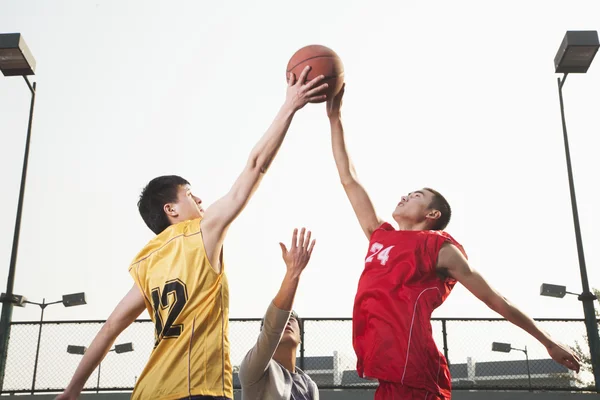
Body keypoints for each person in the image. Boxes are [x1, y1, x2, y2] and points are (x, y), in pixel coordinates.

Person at [56, 66, 328, 400]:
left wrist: (72, 389)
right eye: (190, 194)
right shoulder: (202, 231)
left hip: (148, 392)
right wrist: (290, 105)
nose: (200, 199)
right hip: (196, 389)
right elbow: (255, 166)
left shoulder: (147, 262)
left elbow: (111, 328)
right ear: (171, 210)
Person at [326, 85, 580, 400]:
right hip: (388, 374)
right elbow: (349, 178)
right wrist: (335, 118)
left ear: (432, 213)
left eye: (416, 195)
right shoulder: (381, 236)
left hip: (417, 373)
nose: (405, 195)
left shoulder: (440, 248)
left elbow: (495, 299)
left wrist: (548, 341)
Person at [239, 228, 319, 400]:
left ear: (301, 337)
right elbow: (273, 327)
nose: (288, 320)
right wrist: (293, 272)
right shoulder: (254, 371)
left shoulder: (309, 385)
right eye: (285, 319)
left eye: (293, 319)